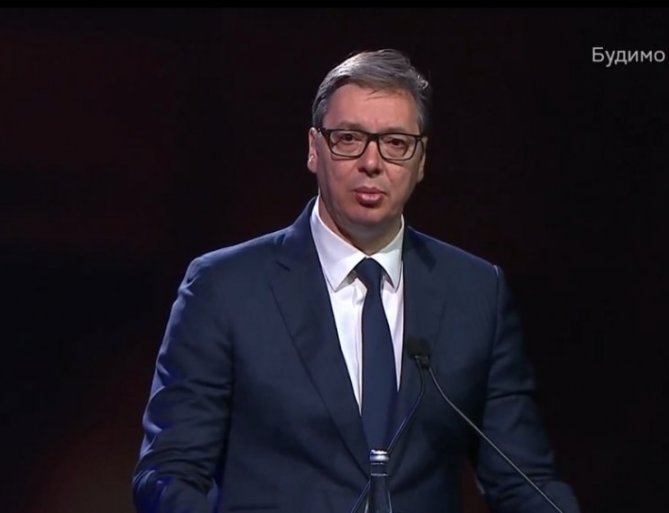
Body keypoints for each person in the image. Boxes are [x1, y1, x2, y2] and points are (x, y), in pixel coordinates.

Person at [132, 48, 581, 513]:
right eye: (349, 139)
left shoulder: (476, 292)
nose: (372, 162)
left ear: (421, 160)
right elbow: (169, 472)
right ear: (314, 148)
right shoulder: (225, 288)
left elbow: (524, 480)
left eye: (396, 143)